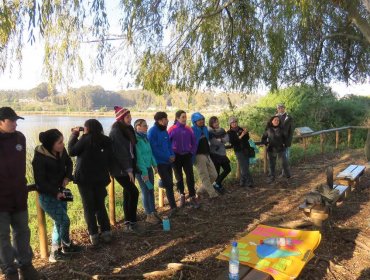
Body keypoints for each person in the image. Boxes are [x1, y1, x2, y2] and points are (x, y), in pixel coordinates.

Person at [0, 107, 41, 280]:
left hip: (19, 194)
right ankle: (9, 270)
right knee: (2, 236)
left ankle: (26, 266)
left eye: (17, 120)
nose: (16, 123)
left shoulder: (20, 137)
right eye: (12, 120)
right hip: (0, 198)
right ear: (1, 121)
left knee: (23, 232)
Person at [32, 129, 81, 263]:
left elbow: (69, 163)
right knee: (64, 221)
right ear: (50, 144)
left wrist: (67, 176)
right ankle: (57, 251)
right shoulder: (39, 157)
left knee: (58, 222)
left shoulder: (61, 151)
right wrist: (55, 192)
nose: (62, 145)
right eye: (59, 142)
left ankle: (62, 248)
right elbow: (40, 181)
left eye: (62, 141)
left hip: (61, 191)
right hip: (48, 196)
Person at [68, 119, 113, 246]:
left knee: (88, 207)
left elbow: (71, 151)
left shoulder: (85, 139)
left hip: (85, 178)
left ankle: (93, 235)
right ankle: (106, 232)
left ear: (87, 128)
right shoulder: (106, 140)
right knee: (100, 205)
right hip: (101, 178)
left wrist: (74, 135)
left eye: (85, 127)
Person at [109, 106, 139, 232]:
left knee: (128, 193)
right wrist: (128, 170)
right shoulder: (116, 132)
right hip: (120, 168)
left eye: (130, 116)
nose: (130, 118)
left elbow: (132, 148)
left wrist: (132, 166)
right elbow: (121, 153)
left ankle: (130, 222)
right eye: (127, 117)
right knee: (134, 192)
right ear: (121, 119)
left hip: (129, 165)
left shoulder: (128, 129)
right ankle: (131, 222)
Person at [148, 112, 178, 214]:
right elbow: (154, 149)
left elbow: (169, 145)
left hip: (169, 161)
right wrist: (167, 157)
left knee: (169, 183)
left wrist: (172, 155)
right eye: (166, 119)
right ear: (160, 120)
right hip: (160, 163)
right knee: (169, 184)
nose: (167, 120)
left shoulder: (164, 131)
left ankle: (173, 206)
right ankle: (173, 208)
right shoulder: (152, 132)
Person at [168, 110, 199, 208]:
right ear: (177, 118)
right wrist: (171, 154)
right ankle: (182, 195)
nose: (185, 119)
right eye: (183, 117)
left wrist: (192, 152)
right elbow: (167, 144)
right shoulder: (172, 129)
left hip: (187, 155)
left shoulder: (189, 129)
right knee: (179, 177)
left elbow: (194, 142)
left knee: (190, 176)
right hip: (176, 157)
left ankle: (192, 196)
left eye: (185, 117)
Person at [133, 119, 160, 224]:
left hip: (149, 168)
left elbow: (150, 152)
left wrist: (155, 165)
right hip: (141, 170)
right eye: (144, 126)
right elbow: (139, 158)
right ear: (137, 127)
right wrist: (144, 172)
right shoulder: (136, 139)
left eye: (146, 125)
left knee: (151, 190)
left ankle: (153, 212)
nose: (146, 127)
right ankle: (148, 215)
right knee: (145, 191)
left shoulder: (145, 138)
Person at [191, 112, 219, 199]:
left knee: (214, 175)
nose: (202, 121)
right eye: (199, 120)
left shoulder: (205, 129)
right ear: (194, 121)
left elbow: (211, 137)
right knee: (204, 175)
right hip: (198, 156)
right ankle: (213, 194)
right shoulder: (192, 130)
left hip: (207, 154)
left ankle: (200, 190)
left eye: (202, 119)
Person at [261, 116, 291, 183]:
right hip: (271, 149)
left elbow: (286, 138)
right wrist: (266, 143)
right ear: (272, 121)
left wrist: (285, 144)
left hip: (281, 148)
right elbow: (263, 139)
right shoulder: (268, 130)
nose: (276, 121)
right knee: (272, 164)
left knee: (284, 162)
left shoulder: (282, 129)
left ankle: (288, 175)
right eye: (275, 120)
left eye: (278, 120)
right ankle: (272, 177)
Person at [227, 117, 254, 188]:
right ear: (230, 124)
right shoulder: (229, 132)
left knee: (246, 166)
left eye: (235, 122)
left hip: (246, 149)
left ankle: (242, 181)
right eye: (232, 123)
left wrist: (246, 133)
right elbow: (233, 142)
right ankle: (249, 182)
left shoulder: (241, 129)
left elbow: (247, 138)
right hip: (238, 150)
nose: (234, 123)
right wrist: (241, 135)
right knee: (244, 167)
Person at [208, 116, 231, 194]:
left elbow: (227, 138)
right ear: (211, 123)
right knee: (216, 172)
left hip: (222, 153)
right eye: (214, 122)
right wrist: (222, 140)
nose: (216, 123)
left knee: (228, 169)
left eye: (217, 121)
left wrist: (221, 139)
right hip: (214, 154)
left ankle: (216, 184)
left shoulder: (222, 130)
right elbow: (214, 142)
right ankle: (218, 186)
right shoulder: (210, 132)